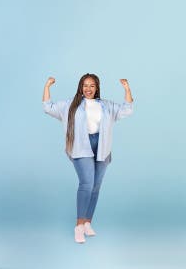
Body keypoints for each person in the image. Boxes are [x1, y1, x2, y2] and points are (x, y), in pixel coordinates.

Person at [42, 74, 133, 244]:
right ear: (80, 87)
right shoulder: (71, 105)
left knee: (96, 186)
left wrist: (127, 89)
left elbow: (126, 109)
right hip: (80, 145)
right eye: (85, 85)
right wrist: (47, 86)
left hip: (102, 146)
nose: (88, 89)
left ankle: (87, 223)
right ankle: (78, 226)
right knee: (86, 184)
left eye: (92, 86)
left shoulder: (105, 105)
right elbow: (48, 107)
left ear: (96, 87)